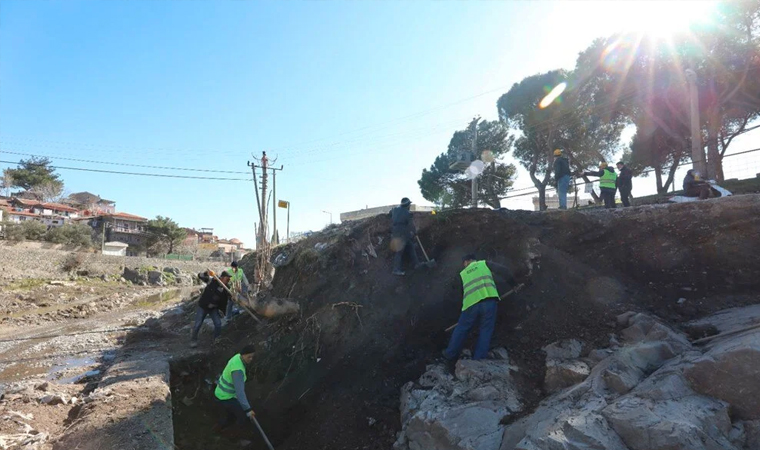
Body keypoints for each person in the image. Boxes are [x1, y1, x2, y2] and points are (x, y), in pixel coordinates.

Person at [443, 254, 520, 361]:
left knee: (461, 329)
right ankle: (478, 359)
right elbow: (504, 270)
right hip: (489, 302)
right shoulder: (484, 264)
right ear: (474, 260)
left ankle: (450, 354)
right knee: (485, 330)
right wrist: (513, 284)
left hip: (470, 305)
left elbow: (460, 294)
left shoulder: (462, 274)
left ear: (466, 262)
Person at [213, 345, 257, 434]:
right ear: (243, 355)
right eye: (249, 357)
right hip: (226, 397)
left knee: (231, 415)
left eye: (252, 357)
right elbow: (240, 392)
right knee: (242, 415)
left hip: (221, 392)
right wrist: (248, 410)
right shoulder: (238, 371)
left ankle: (221, 428)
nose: (251, 359)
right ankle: (234, 434)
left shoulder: (237, 357)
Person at [190, 270, 233, 348]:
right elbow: (200, 275)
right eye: (227, 279)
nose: (228, 280)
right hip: (203, 306)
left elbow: (230, 298)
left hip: (213, 308)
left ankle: (216, 339)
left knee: (218, 324)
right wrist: (207, 273)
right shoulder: (212, 281)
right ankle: (193, 340)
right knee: (197, 324)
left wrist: (233, 297)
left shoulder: (226, 288)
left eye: (229, 279)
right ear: (222, 278)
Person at [389, 197, 421, 276]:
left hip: (395, 232)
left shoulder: (394, 209)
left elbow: (390, 213)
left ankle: (417, 263)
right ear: (407, 205)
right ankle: (396, 270)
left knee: (411, 246)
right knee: (399, 252)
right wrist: (415, 232)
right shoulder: (407, 213)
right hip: (403, 233)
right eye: (409, 204)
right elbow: (411, 225)